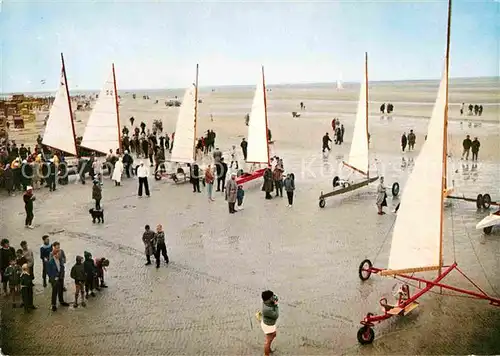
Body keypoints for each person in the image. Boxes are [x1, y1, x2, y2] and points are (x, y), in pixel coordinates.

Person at [260, 290, 279, 356]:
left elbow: (275, 298)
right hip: (268, 326)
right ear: (268, 299)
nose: (273, 297)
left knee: (273, 335)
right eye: (272, 297)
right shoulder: (267, 310)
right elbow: (276, 315)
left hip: (269, 323)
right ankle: (266, 354)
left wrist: (275, 299)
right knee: (268, 341)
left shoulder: (266, 302)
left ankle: (268, 349)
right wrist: (276, 306)